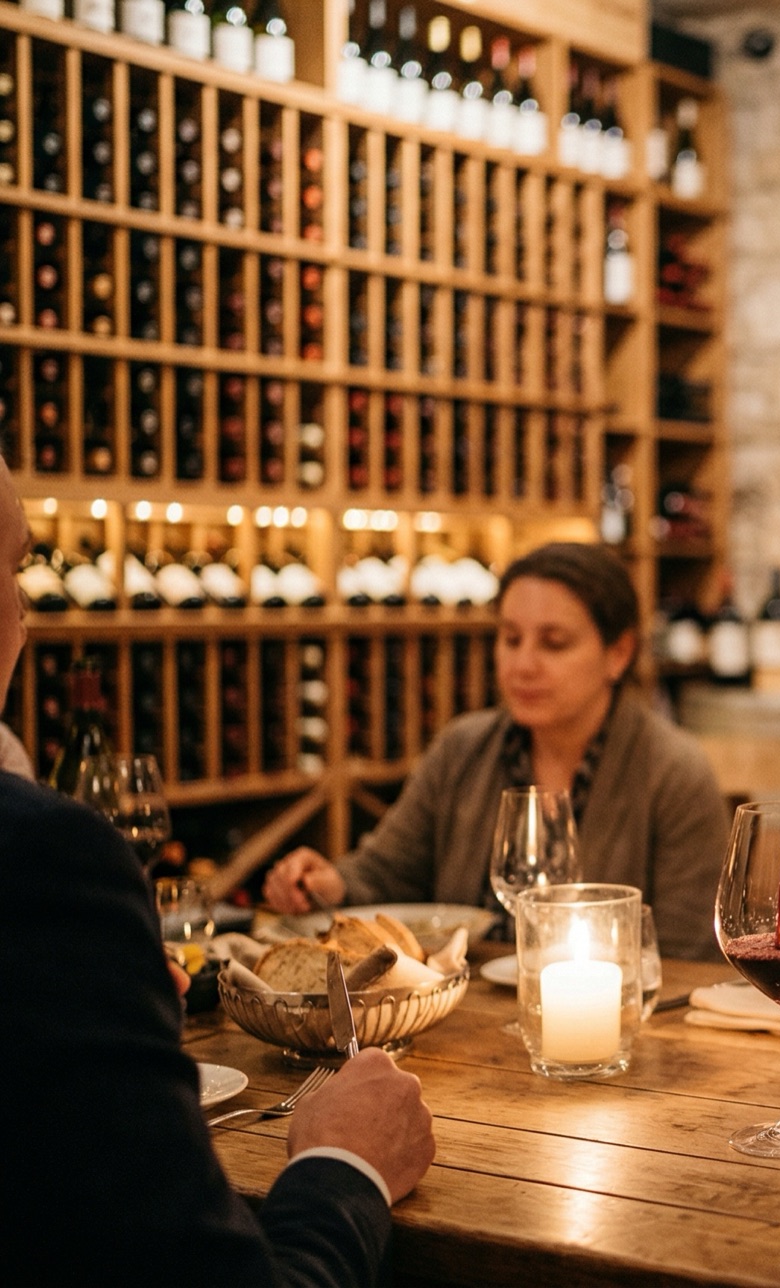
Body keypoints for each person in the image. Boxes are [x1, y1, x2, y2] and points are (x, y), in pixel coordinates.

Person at [0, 455, 438, 1286]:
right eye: (15, 568)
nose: (24, 613)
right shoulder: (40, 859)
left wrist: (98, 1017)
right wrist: (349, 1165)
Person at [264, 543, 728, 961]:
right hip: (461, 1022)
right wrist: (328, 884)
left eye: (554, 643)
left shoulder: (672, 772)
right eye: (510, 638)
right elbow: (387, 874)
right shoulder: (462, 749)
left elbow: (686, 954)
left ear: (618, 653)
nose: (523, 664)